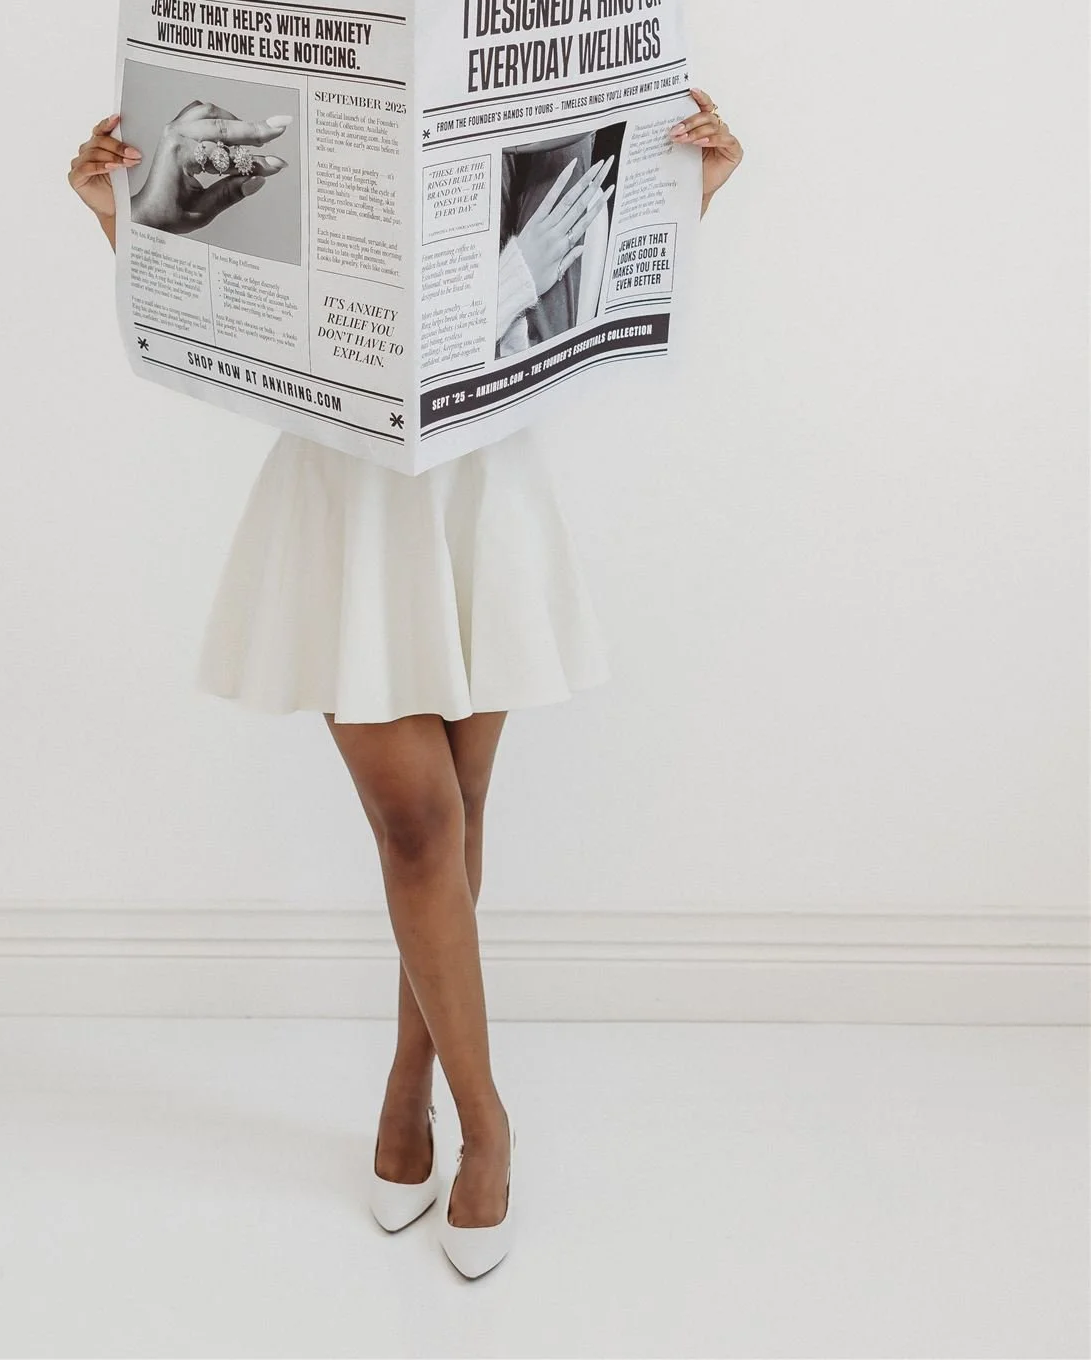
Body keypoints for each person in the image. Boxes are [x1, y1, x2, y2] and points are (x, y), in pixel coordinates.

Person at [68, 84, 742, 1277]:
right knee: (418, 820)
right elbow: (238, 309)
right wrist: (122, 212)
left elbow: (598, 289)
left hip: (481, 475)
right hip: (345, 489)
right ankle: (487, 1125)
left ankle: (406, 1082)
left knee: (462, 808)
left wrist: (694, 179)